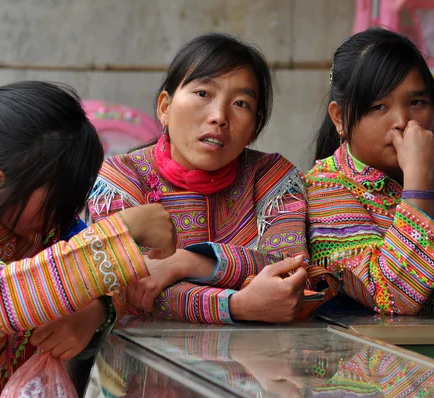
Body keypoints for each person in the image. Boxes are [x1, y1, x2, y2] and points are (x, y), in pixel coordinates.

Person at [0, 81, 176, 397]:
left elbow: (113, 273)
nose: (64, 213)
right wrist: (122, 231)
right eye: (57, 199)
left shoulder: (28, 217)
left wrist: (94, 311)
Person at [88, 33, 322, 325]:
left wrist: (186, 262)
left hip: (259, 364)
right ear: (164, 107)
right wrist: (235, 306)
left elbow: (292, 271)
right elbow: (129, 291)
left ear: (253, 129)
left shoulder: (272, 178)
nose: (219, 116)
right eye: (203, 94)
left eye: (240, 104)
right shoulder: (121, 179)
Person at [306, 28, 434, 315]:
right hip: (363, 358)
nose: (402, 121)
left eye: (417, 103)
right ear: (340, 118)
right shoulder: (324, 188)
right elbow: (393, 298)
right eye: (379, 106)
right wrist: (420, 182)